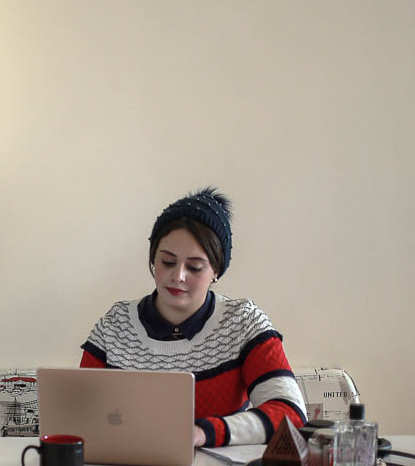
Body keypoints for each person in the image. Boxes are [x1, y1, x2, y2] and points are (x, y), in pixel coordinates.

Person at [80, 187, 306, 447]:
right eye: (167, 262)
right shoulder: (115, 324)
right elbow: (79, 409)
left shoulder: (243, 322)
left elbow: (291, 414)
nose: (178, 276)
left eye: (195, 267)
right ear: (153, 259)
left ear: (216, 271)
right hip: (125, 465)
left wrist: (203, 433)